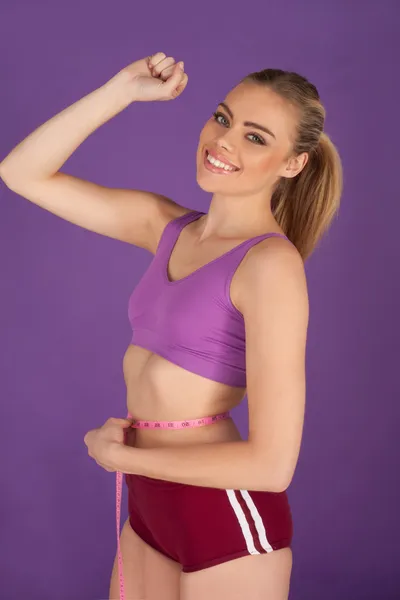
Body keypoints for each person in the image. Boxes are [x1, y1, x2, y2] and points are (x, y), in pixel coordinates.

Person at [0, 52, 342, 600]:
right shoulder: (168, 228)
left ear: (293, 164)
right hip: (149, 506)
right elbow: (21, 173)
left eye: (256, 137)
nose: (224, 141)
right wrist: (120, 90)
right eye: (223, 118)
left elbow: (273, 465)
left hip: (223, 516)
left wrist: (120, 456)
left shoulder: (270, 266)